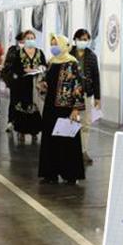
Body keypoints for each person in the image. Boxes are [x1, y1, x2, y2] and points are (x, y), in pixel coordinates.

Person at [37, 34, 85, 185]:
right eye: (52, 44)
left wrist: (76, 109)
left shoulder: (72, 63)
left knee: (67, 141)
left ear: (64, 45)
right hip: (50, 106)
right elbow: (46, 81)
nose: (53, 47)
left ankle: (70, 175)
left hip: (66, 108)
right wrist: (42, 85)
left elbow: (78, 86)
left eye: (56, 44)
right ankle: (50, 174)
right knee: (50, 140)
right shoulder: (51, 62)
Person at [70, 29, 101, 164]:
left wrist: (98, 97)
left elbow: (96, 77)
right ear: (75, 39)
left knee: (86, 123)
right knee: (71, 122)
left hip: (86, 93)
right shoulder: (69, 53)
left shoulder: (92, 56)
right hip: (71, 94)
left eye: (86, 39)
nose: (83, 41)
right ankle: (70, 150)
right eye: (81, 39)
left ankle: (83, 151)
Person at [11, 30, 46, 142]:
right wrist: (24, 70)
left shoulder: (40, 52)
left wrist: (40, 68)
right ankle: (21, 131)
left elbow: (44, 65)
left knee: (35, 107)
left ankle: (34, 131)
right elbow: (14, 68)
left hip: (36, 83)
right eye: (28, 38)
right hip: (23, 83)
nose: (30, 40)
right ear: (24, 40)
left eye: (32, 38)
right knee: (23, 106)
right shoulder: (19, 53)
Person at [3, 32, 26, 133]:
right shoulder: (12, 50)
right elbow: (7, 64)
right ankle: (11, 122)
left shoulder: (31, 50)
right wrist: (10, 77)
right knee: (13, 102)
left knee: (25, 102)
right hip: (15, 80)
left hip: (26, 80)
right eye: (21, 40)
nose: (23, 42)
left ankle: (22, 124)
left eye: (24, 40)